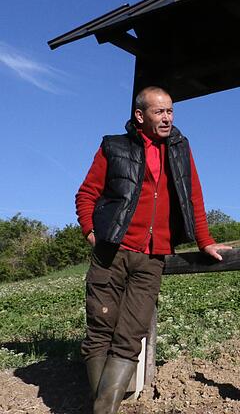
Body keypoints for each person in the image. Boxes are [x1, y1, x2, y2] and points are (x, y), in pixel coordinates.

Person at [75, 86, 231, 414]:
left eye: (170, 111)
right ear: (140, 115)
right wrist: (91, 232)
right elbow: (86, 193)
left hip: (152, 258)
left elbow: (193, 197)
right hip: (112, 252)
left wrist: (205, 241)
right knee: (100, 330)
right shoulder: (113, 147)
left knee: (131, 335)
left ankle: (103, 410)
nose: (167, 118)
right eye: (159, 112)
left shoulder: (179, 148)